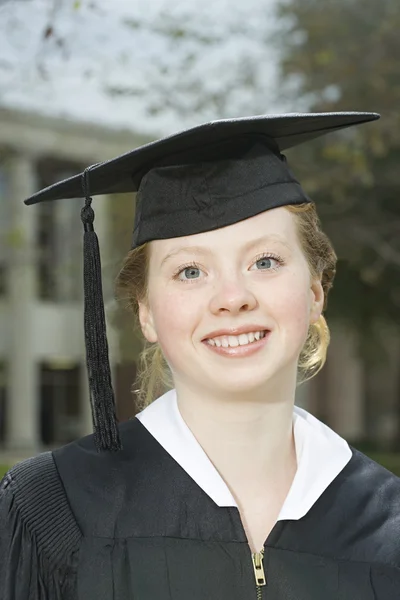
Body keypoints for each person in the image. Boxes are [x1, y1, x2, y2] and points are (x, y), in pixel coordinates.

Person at [1, 112, 399, 600]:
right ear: (145, 314)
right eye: (190, 271)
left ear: (315, 291)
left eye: (265, 261)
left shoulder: (389, 521)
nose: (232, 297)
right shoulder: (54, 506)